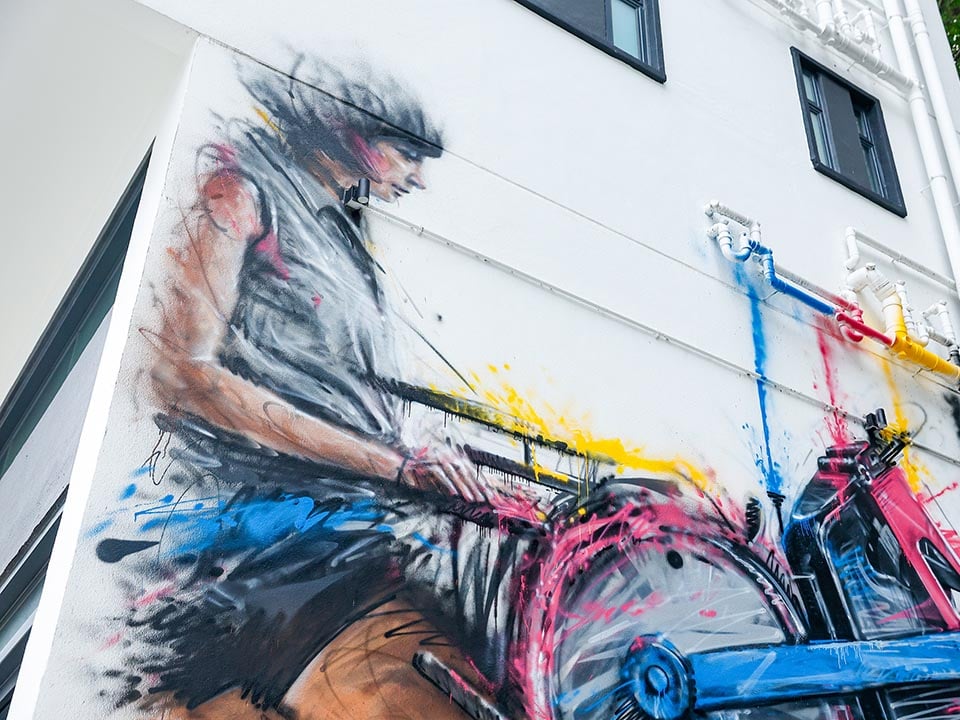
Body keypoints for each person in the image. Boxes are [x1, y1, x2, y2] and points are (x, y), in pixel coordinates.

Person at [123, 58, 514, 716]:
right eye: (407, 154)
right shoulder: (242, 189)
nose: (418, 177)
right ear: (349, 131)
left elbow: (338, 385)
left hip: (346, 536)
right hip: (260, 545)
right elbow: (186, 375)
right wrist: (393, 466)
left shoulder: (343, 227)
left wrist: (424, 455)